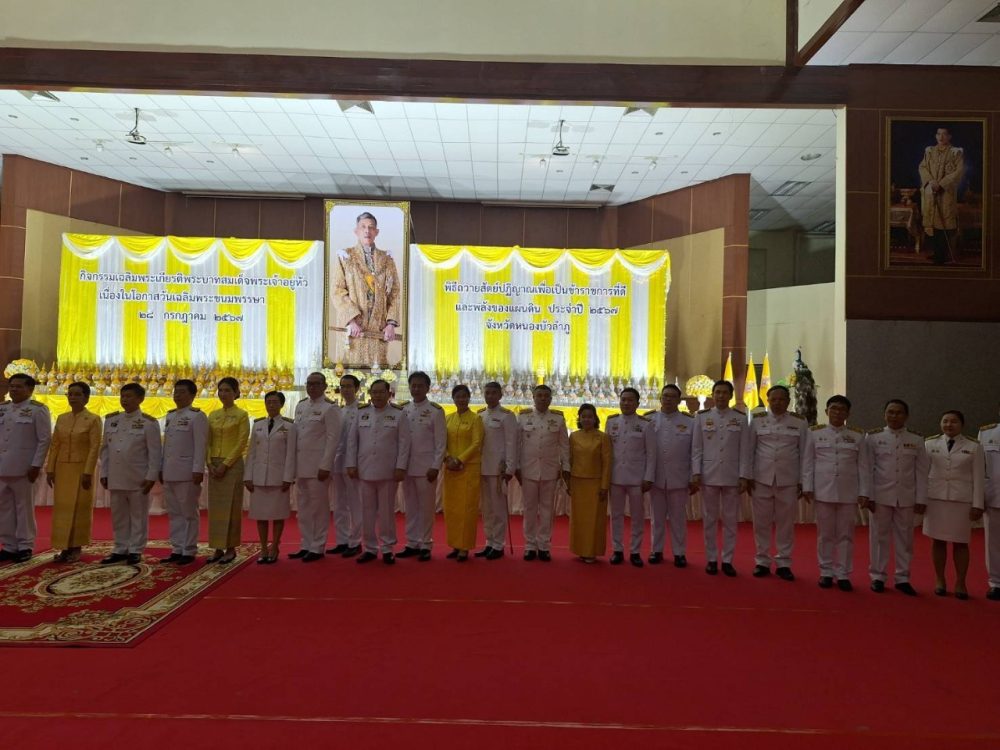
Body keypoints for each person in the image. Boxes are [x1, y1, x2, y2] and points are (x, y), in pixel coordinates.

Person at [802, 395, 870, 591]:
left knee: (845, 535)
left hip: (849, 491)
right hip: (823, 490)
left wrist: (864, 491)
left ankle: (843, 574)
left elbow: (864, 466)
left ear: (848, 413)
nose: (838, 413)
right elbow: (808, 461)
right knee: (825, 534)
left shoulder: (858, 435)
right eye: (834, 408)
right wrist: (807, 486)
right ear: (826, 411)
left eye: (842, 409)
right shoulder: (814, 433)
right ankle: (825, 571)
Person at [864, 399, 928, 595]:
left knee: (905, 539)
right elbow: (867, 469)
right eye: (890, 412)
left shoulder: (916, 439)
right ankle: (878, 576)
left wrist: (921, 499)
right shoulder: (873, 437)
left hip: (906, 496)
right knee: (878, 537)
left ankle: (903, 577)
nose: (894, 416)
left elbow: (922, 472)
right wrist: (868, 495)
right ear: (884, 414)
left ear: (906, 416)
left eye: (899, 412)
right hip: (880, 495)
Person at [746, 385, 808, 581]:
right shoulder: (757, 420)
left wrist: (803, 481)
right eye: (773, 399)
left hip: (788, 480)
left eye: (781, 399)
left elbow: (805, 453)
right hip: (761, 479)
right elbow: (749, 450)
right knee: (761, 523)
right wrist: (747, 476)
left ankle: (784, 563)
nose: (777, 403)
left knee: (785, 524)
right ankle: (762, 561)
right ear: (768, 400)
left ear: (788, 401)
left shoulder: (799, 422)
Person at [346, 379, 410, 565]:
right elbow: (352, 441)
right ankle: (370, 548)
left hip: (388, 471)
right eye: (374, 392)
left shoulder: (399, 414)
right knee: (366, 512)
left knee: (387, 512)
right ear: (370, 394)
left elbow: (404, 443)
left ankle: (388, 548)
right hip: (365, 470)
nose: (378, 395)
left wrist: (401, 467)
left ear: (389, 394)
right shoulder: (362, 413)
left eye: (381, 392)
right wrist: (351, 464)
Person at [922, 410, 984, 599]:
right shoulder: (929, 444)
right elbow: (922, 474)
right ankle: (940, 579)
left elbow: (979, 477)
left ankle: (960, 582)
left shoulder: (974, 446)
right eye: (945, 421)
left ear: (962, 425)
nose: (949, 425)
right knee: (937, 541)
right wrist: (921, 500)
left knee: (961, 543)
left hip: (961, 501)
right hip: (936, 499)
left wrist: (978, 504)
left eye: (954, 421)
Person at [691, 379, 750, 577]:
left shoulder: (740, 418)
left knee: (730, 520)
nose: (721, 396)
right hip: (709, 475)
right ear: (712, 395)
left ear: (731, 396)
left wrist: (744, 475)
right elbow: (697, 448)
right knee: (709, 519)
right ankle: (711, 559)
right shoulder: (702, 417)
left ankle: (727, 560)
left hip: (732, 476)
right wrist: (696, 472)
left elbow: (745, 450)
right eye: (717, 392)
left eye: (725, 393)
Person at [98, 383, 161, 565]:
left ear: (140, 399)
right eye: (123, 396)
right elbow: (105, 450)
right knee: (119, 514)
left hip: (137, 477)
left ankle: (135, 549)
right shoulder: (112, 420)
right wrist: (104, 472)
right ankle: (120, 547)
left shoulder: (149, 423)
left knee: (138, 515)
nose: (125, 400)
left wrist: (151, 476)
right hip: (116, 475)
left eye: (129, 396)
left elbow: (155, 452)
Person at [329, 211, 402, 366]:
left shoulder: (387, 260)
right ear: (356, 231)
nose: (367, 231)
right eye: (363, 227)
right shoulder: (345, 257)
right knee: (351, 373)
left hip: (378, 329)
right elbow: (337, 290)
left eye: (371, 227)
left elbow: (395, 293)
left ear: (377, 232)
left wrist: (391, 324)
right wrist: (351, 320)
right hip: (354, 329)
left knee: (377, 374)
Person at [45, 381, 101, 563]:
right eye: (70, 394)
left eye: (77, 394)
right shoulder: (62, 418)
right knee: (63, 508)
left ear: (86, 398)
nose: (73, 397)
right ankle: (64, 547)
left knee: (78, 508)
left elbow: (94, 447)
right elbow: (55, 445)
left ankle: (76, 547)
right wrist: (50, 469)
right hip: (62, 468)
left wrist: (88, 472)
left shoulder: (93, 419)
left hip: (81, 469)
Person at [0, 373, 51, 564]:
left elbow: (44, 439)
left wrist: (36, 465)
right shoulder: (2, 409)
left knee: (24, 508)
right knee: (4, 508)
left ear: (30, 389)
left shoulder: (38, 410)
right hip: (2, 467)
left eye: (19, 386)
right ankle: (9, 545)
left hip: (24, 468)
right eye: (11, 386)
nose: (14, 389)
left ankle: (25, 546)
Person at [291, 371, 341, 562]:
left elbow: (333, 439)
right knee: (303, 508)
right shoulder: (301, 406)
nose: (311, 387)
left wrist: (326, 465)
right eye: (309, 383)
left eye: (316, 384)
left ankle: (318, 546)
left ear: (324, 386)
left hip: (318, 467)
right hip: (301, 465)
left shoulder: (330, 408)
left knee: (318, 508)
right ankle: (305, 544)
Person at [515, 384, 570, 561]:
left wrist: (566, 468)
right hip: (528, 469)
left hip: (550, 470)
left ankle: (544, 545)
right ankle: (530, 545)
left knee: (547, 509)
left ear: (551, 399)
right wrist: (516, 466)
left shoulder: (558, 419)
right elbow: (517, 444)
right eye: (539, 395)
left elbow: (564, 445)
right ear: (533, 398)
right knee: (529, 508)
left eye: (546, 396)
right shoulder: (523, 417)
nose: (543, 399)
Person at [646, 384, 695, 567]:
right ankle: (656, 550)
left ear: (679, 400)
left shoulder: (690, 421)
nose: (668, 399)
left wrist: (693, 476)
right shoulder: (649, 419)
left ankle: (679, 553)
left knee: (678, 519)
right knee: (656, 518)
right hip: (656, 476)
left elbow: (694, 452)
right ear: (660, 398)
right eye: (665, 396)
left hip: (679, 477)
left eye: (672, 396)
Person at [159, 379, 208, 566]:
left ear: (192, 395)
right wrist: (162, 467)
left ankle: (189, 549)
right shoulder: (171, 415)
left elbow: (200, 445)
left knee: (188, 512)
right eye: (176, 392)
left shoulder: (197, 416)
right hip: (170, 470)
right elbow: (167, 446)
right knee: (174, 512)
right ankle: (177, 548)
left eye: (182, 392)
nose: (177, 395)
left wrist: (198, 469)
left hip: (187, 472)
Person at [244, 391, 296, 565]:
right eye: (268, 402)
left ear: (281, 404)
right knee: (261, 515)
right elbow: (252, 452)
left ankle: (275, 546)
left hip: (278, 477)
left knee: (278, 514)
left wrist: (288, 477)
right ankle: (263, 548)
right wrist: (248, 476)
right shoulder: (258, 425)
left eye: (275, 402)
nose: (271, 405)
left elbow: (291, 454)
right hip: (259, 476)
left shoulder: (289, 426)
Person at [606, 387, 656, 567]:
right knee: (616, 515)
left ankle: (635, 551)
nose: (626, 403)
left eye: (630, 400)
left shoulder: (645, 424)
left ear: (637, 403)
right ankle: (617, 550)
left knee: (637, 516)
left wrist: (648, 477)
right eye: (623, 400)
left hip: (637, 478)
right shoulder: (611, 422)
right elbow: (607, 452)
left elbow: (651, 453)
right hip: (615, 476)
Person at [400, 371, 446, 562]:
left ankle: (426, 543)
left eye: (420, 386)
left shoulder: (435, 411)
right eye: (413, 385)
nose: (416, 389)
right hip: (406, 467)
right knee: (410, 507)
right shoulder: (403, 409)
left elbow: (441, 442)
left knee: (426, 508)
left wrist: (436, 466)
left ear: (427, 388)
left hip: (426, 468)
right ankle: (412, 542)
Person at [206, 377, 250, 565]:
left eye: (227, 390)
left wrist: (225, 464)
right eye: (221, 390)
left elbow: (241, 442)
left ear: (236, 393)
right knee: (216, 509)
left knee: (231, 507)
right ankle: (217, 547)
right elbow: (207, 441)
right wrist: (209, 462)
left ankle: (231, 548)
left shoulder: (241, 415)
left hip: (231, 465)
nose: (223, 394)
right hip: (214, 465)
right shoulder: (213, 415)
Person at [442, 384, 485, 562]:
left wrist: (460, 459)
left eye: (464, 396)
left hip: (468, 469)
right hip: (450, 469)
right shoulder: (448, 419)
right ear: (453, 399)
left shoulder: (476, 419)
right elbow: (442, 442)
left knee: (467, 509)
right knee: (452, 509)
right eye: (458, 396)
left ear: (469, 398)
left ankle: (465, 547)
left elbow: (476, 443)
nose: (461, 399)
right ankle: (455, 544)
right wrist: (447, 458)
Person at [475, 381, 517, 560]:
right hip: (482, 467)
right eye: (487, 393)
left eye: (494, 393)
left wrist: (510, 468)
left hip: (498, 469)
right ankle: (489, 542)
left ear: (500, 395)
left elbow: (511, 443)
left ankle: (499, 544)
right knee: (487, 509)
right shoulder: (480, 415)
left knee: (498, 509)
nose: (490, 396)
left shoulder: (507, 416)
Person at [568, 403, 611, 563]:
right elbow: (569, 460)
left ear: (595, 419)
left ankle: (591, 551)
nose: (587, 419)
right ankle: (580, 549)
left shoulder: (603, 437)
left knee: (594, 520)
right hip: (577, 482)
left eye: (590, 417)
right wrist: (567, 483)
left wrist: (604, 485)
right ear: (579, 418)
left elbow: (607, 463)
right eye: (584, 416)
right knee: (579, 519)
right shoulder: (573, 436)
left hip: (596, 483)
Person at [918, 126, 964, 265]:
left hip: (946, 193)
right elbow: (922, 167)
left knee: (944, 222)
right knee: (933, 222)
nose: (941, 137)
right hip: (931, 191)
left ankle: (943, 255)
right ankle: (937, 253)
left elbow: (958, 172)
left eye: (944, 134)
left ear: (949, 136)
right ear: (935, 136)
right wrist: (930, 181)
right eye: (938, 134)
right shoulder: (929, 151)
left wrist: (942, 184)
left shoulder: (956, 152)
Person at [329, 373, 363, 557]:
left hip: (354, 463)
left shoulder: (363, 411)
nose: (345, 390)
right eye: (342, 386)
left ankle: (356, 541)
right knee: (339, 503)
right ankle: (342, 540)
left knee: (355, 503)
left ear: (357, 388)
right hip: (337, 462)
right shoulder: (338, 411)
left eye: (349, 386)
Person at [979, 410, 1000, 601]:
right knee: (993, 542)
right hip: (995, 496)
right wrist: (980, 497)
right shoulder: (986, 433)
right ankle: (996, 582)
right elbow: (981, 468)